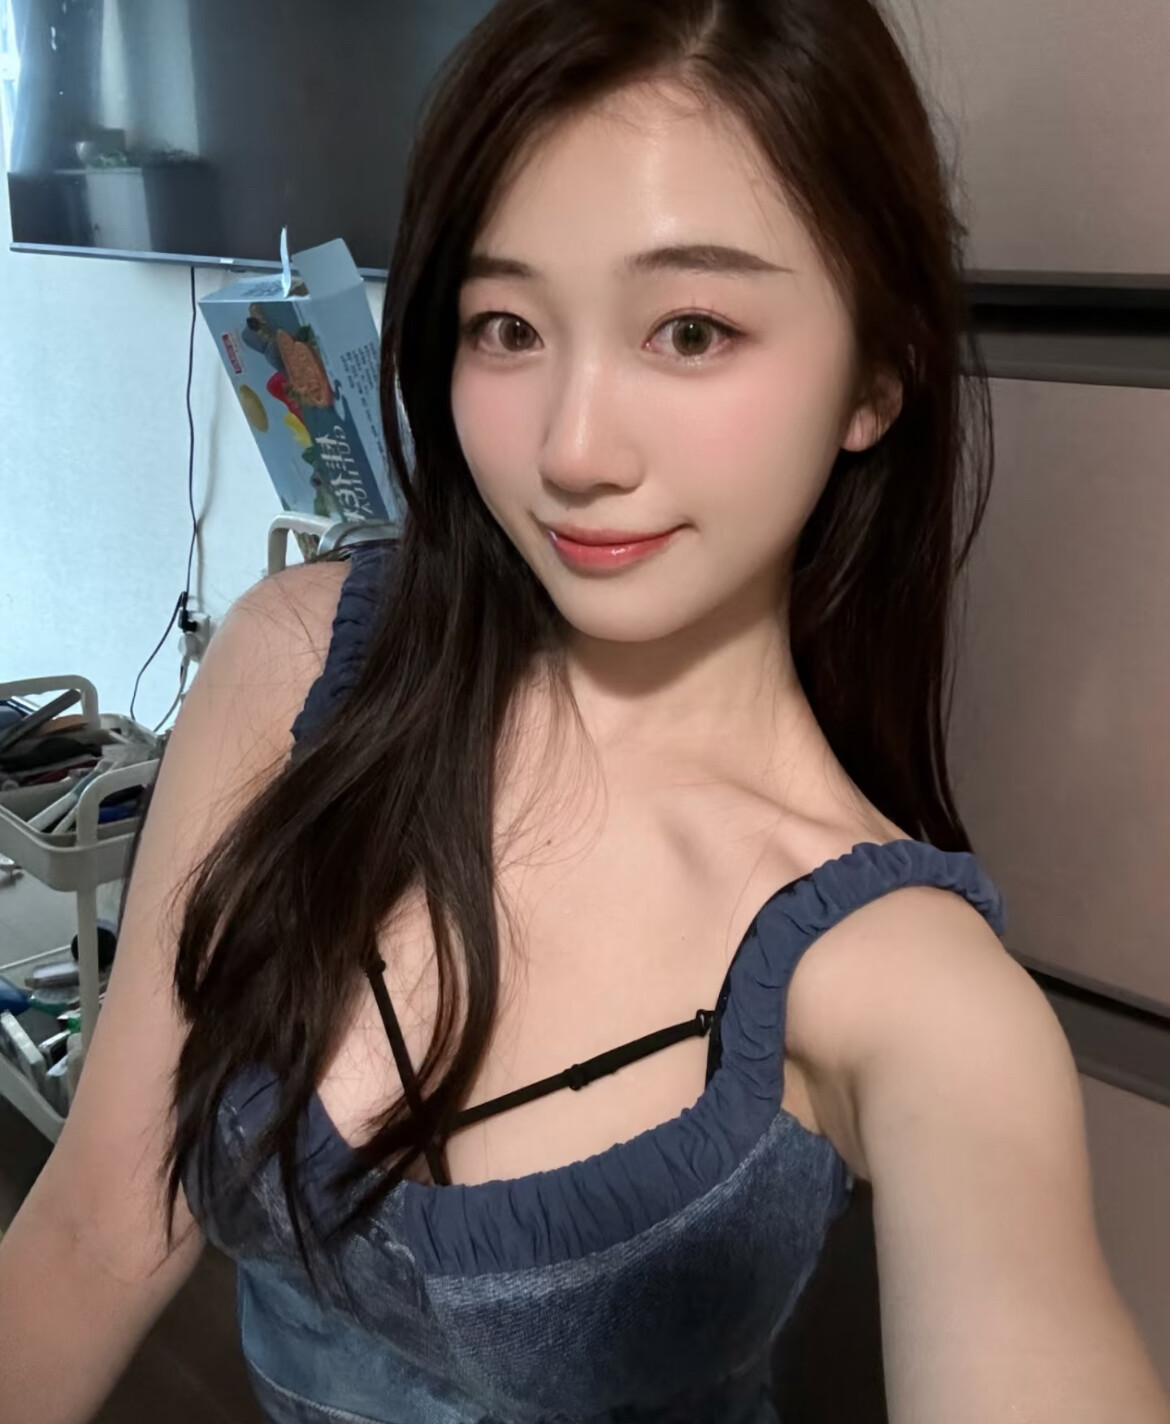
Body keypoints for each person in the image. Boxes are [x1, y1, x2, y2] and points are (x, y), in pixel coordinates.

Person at [3, 1, 1169, 1421]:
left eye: (690, 329)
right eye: (507, 327)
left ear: (876, 374)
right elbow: (96, 1232)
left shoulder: (901, 981)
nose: (571, 449)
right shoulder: (296, 666)